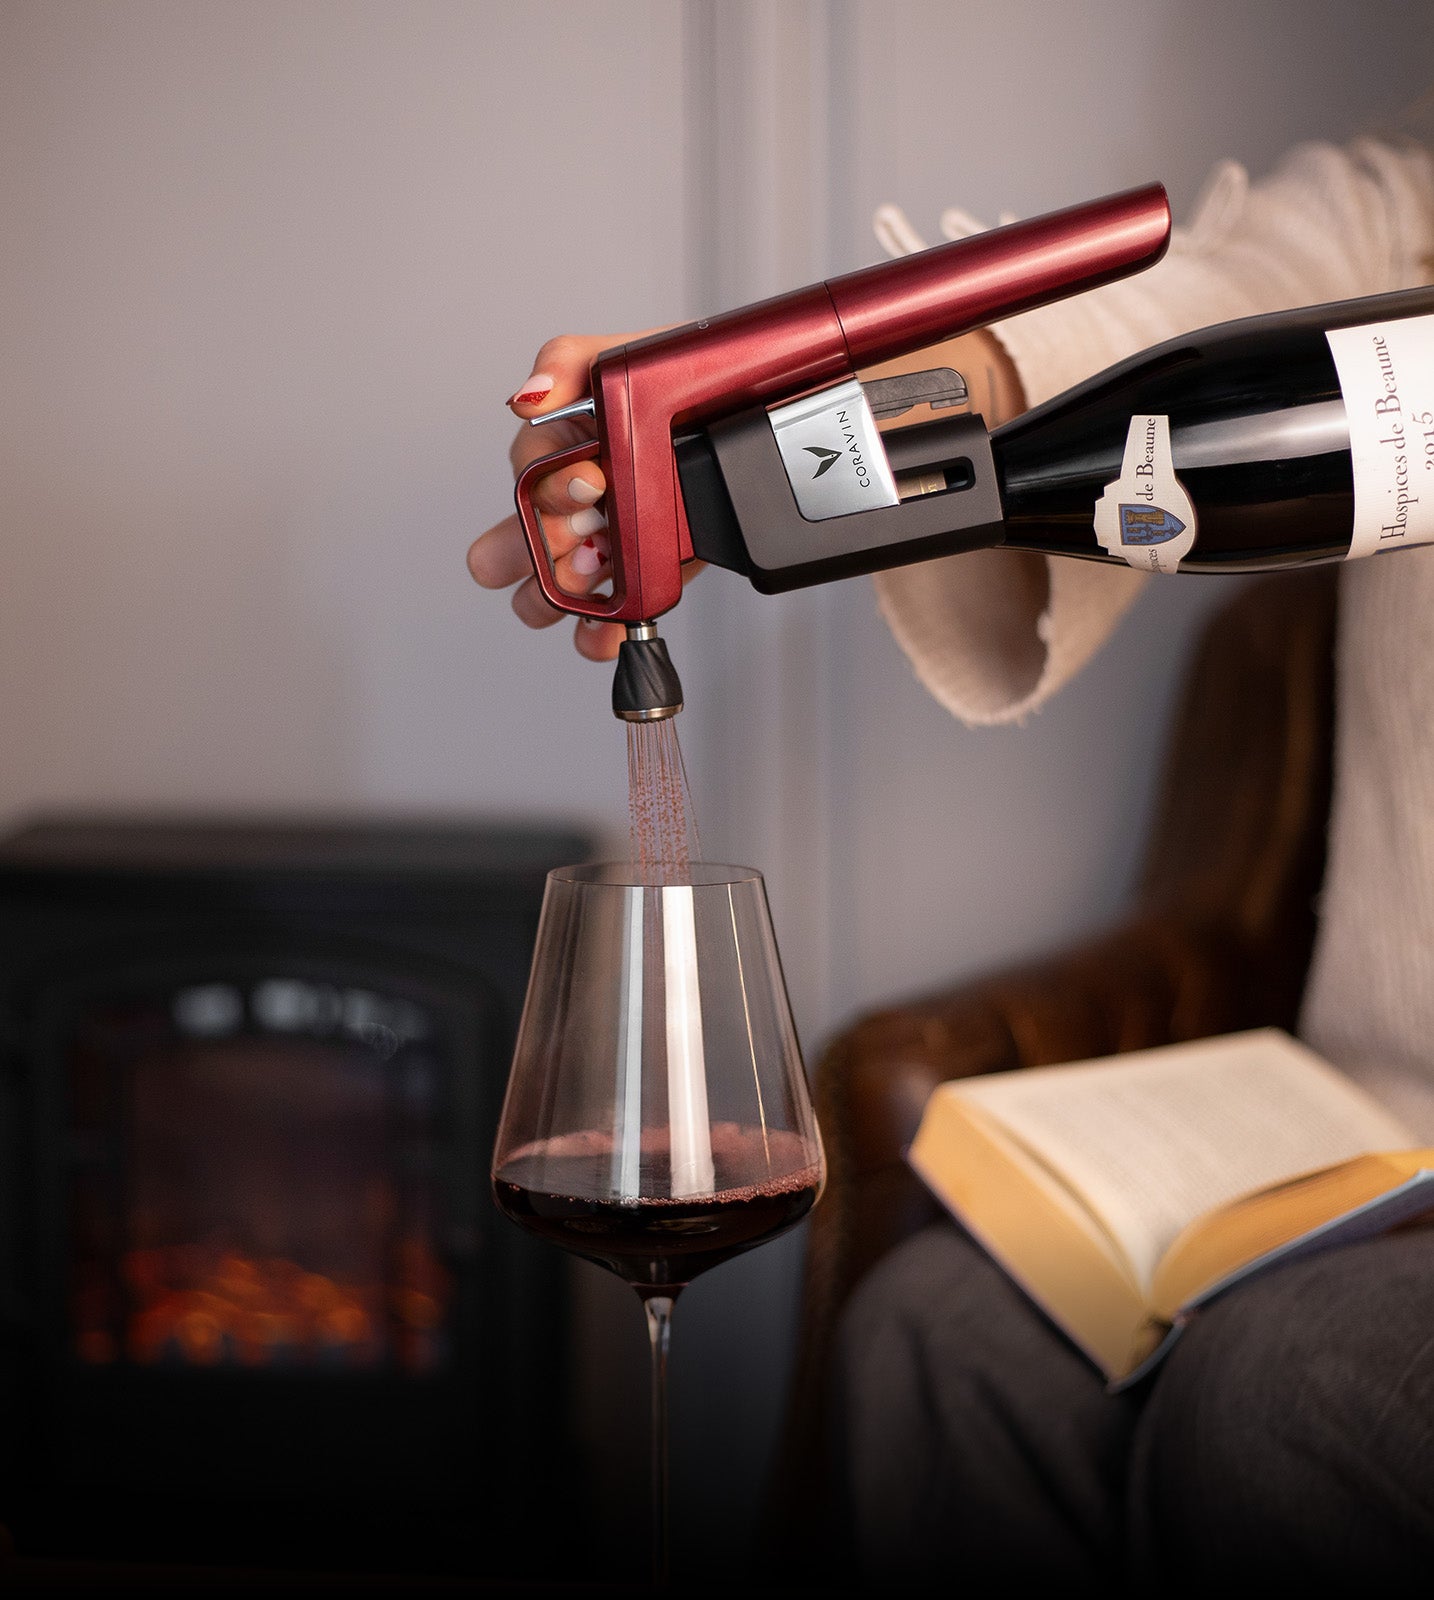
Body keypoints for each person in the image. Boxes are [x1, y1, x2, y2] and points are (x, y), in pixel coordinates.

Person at [469, 134, 1434, 1586]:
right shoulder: (1412, 206)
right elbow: (1161, 324)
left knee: (1279, 1394)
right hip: (1367, 1135)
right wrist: (768, 419)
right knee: (936, 1330)